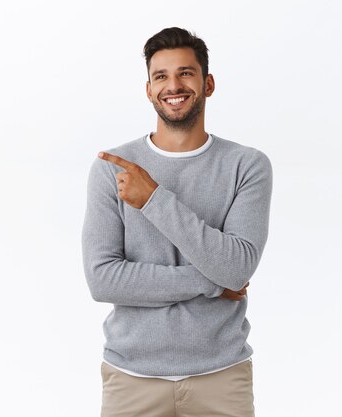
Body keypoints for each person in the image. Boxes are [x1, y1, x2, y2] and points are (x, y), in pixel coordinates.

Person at [81, 27, 273, 417]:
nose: (174, 85)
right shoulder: (112, 169)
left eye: (186, 73)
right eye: (161, 76)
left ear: (208, 83)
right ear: (149, 90)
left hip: (222, 377)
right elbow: (103, 280)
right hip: (131, 376)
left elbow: (237, 267)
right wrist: (213, 283)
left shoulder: (247, 166)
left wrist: (152, 198)